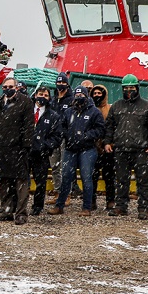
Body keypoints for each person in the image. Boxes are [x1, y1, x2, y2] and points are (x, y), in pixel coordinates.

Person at [104, 74, 148, 220]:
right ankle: (121, 207)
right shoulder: (116, 106)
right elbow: (109, 125)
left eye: (132, 87)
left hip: (141, 150)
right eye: (126, 88)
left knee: (143, 181)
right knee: (121, 180)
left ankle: (143, 208)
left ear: (137, 88)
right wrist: (107, 142)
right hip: (121, 149)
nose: (129, 90)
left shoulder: (147, 106)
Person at [53, 86, 104, 216]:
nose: (79, 97)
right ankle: (60, 205)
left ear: (87, 96)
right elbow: (61, 126)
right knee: (66, 177)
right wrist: (67, 135)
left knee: (86, 178)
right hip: (70, 148)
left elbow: (100, 129)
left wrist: (87, 135)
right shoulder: (69, 111)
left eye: (82, 95)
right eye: (77, 95)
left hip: (87, 149)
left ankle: (86, 207)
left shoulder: (94, 112)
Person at [0, 76, 34, 222]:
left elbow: (28, 126)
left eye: (11, 87)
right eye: (5, 87)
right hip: (1, 148)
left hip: (18, 147)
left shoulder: (25, 102)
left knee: (21, 182)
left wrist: (26, 146)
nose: (8, 89)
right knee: (4, 181)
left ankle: (21, 213)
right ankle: (7, 211)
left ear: (16, 87)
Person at [27, 85, 63, 217]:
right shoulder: (26, 111)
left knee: (40, 182)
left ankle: (37, 206)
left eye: (46, 95)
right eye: (40, 94)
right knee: (21, 180)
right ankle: (18, 204)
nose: (42, 97)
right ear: (35, 95)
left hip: (41, 154)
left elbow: (57, 136)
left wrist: (45, 146)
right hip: (25, 152)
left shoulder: (53, 115)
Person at [90, 84, 115, 212]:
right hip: (92, 148)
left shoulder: (110, 109)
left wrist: (108, 142)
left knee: (109, 176)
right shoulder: (90, 109)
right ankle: (92, 201)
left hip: (108, 148)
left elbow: (112, 128)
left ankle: (110, 200)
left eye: (100, 93)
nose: (97, 96)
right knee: (92, 176)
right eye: (95, 94)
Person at [49, 72, 74, 200]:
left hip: (65, 137)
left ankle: (66, 194)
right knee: (54, 166)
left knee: (65, 167)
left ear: (67, 84)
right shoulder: (52, 100)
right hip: (53, 137)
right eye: (58, 82)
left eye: (63, 82)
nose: (60, 85)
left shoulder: (72, 99)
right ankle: (58, 192)